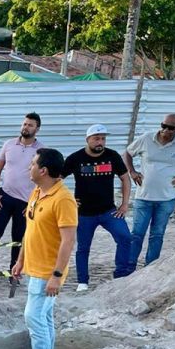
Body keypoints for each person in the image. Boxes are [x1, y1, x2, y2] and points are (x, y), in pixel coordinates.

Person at [10, 149, 78, 349]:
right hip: (35, 267)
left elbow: (68, 241)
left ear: (44, 170)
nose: (29, 168)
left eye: (32, 164)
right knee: (44, 318)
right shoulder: (38, 192)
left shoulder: (63, 199)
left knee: (34, 317)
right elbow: (30, 230)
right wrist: (20, 260)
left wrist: (57, 276)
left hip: (48, 272)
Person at [124, 114, 175, 267]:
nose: (165, 130)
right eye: (163, 126)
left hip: (167, 198)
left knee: (157, 235)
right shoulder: (146, 138)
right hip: (143, 197)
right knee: (137, 234)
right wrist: (132, 172)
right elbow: (127, 153)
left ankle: (150, 268)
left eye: (170, 128)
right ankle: (129, 267)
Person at [62, 125, 133, 292]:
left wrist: (124, 204)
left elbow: (125, 178)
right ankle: (82, 281)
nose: (100, 142)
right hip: (84, 214)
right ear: (87, 139)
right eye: (96, 138)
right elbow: (57, 180)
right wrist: (68, 200)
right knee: (83, 248)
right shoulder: (75, 158)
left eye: (103, 138)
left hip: (109, 211)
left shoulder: (112, 156)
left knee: (125, 237)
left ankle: (121, 275)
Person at [0, 112, 42, 282]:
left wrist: (34, 203)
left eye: (30, 125)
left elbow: (42, 179)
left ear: (37, 129)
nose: (26, 127)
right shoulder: (9, 144)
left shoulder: (41, 150)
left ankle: (14, 273)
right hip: (4, 197)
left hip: (25, 202)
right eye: (24, 124)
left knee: (18, 239)